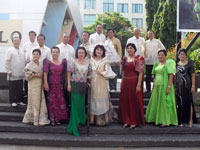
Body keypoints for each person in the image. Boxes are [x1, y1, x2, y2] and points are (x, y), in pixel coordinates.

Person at [145, 50, 178, 127]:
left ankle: (165, 120)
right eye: (159, 55)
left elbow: (171, 76)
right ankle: (155, 119)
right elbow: (155, 76)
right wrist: (153, 85)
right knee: (156, 102)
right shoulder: (157, 64)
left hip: (165, 85)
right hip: (157, 85)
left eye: (162, 55)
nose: (160, 56)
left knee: (164, 103)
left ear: (165, 56)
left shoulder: (168, 64)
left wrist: (169, 87)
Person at [119, 43, 145, 129]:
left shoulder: (138, 59)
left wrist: (138, 84)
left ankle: (134, 121)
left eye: (131, 48)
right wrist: (122, 82)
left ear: (134, 49)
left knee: (133, 101)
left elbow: (140, 73)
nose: (129, 49)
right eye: (128, 48)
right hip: (125, 81)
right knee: (125, 101)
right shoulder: (125, 59)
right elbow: (123, 72)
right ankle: (127, 120)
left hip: (134, 81)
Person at [90, 45, 116, 126]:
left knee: (101, 99)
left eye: (101, 50)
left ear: (103, 52)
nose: (99, 51)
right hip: (93, 82)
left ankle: (102, 119)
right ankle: (92, 119)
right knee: (93, 99)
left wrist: (101, 73)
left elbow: (109, 72)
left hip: (101, 82)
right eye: (97, 49)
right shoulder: (90, 60)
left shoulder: (105, 60)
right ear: (95, 50)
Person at [22, 49, 50, 126]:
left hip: (39, 86)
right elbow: (27, 76)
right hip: (32, 86)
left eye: (37, 54)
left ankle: (40, 119)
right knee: (33, 101)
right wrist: (35, 75)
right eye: (34, 54)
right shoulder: (29, 65)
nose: (35, 56)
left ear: (39, 56)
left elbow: (43, 75)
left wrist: (44, 83)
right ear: (32, 55)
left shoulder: (41, 65)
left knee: (40, 101)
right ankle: (34, 120)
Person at [67, 47, 90, 136]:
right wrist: (69, 84)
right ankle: (74, 126)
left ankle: (79, 121)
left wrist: (88, 83)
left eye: (82, 52)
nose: (81, 54)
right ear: (77, 53)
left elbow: (88, 74)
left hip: (83, 86)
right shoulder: (73, 61)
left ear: (85, 54)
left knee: (81, 105)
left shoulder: (88, 63)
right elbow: (69, 73)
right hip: (74, 85)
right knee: (75, 106)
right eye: (79, 52)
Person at [43, 46, 68, 126]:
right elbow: (45, 73)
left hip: (60, 85)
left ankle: (58, 118)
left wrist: (66, 83)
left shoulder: (63, 62)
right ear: (51, 53)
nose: (55, 53)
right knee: (51, 102)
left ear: (59, 53)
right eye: (53, 52)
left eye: (56, 52)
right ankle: (52, 118)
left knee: (59, 101)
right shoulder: (48, 62)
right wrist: (46, 83)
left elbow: (65, 73)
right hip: (51, 85)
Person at [176, 48, 197, 127]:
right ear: (178, 56)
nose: (182, 55)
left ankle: (190, 120)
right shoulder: (176, 64)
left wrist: (193, 85)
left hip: (187, 86)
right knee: (180, 103)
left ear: (186, 55)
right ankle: (181, 121)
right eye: (180, 54)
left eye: (183, 54)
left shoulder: (189, 63)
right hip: (179, 87)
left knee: (189, 102)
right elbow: (175, 77)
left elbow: (193, 75)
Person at [4, 37, 26, 107]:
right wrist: (8, 71)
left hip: (21, 73)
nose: (16, 42)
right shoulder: (10, 50)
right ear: (13, 42)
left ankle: (19, 100)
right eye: (15, 41)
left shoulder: (22, 50)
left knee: (19, 87)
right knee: (13, 87)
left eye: (18, 41)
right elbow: (6, 61)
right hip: (12, 73)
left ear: (20, 42)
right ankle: (12, 101)